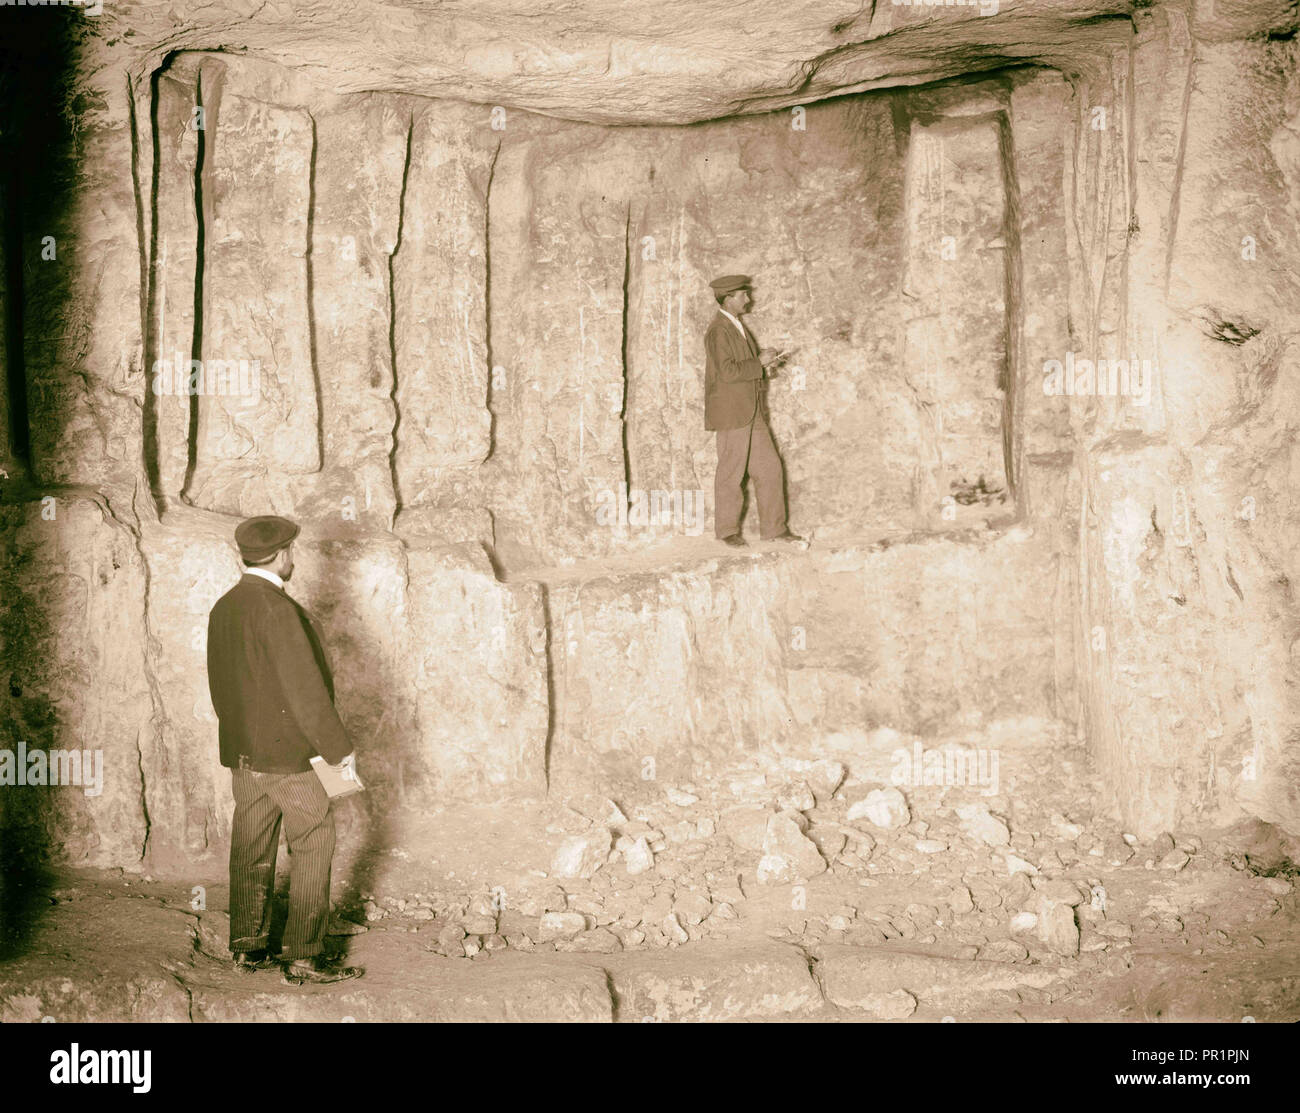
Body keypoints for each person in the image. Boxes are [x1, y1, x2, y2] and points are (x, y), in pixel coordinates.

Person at [206, 514, 363, 985]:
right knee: (314, 840)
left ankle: (248, 947)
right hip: (286, 759)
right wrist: (338, 749)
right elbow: (306, 692)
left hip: (244, 755)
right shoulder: (277, 610)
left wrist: (240, 740)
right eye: (291, 551)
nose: (293, 558)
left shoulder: (225, 607)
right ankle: (303, 955)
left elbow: (222, 687)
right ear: (280, 555)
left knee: (251, 845)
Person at [704, 274, 804, 547]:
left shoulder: (736, 326)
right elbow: (727, 371)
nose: (748, 299)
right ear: (729, 298)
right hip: (733, 412)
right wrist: (759, 362)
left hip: (751, 411)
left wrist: (765, 368)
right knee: (731, 472)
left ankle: (775, 529)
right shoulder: (719, 330)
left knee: (770, 469)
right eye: (743, 295)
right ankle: (727, 532)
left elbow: (742, 369)